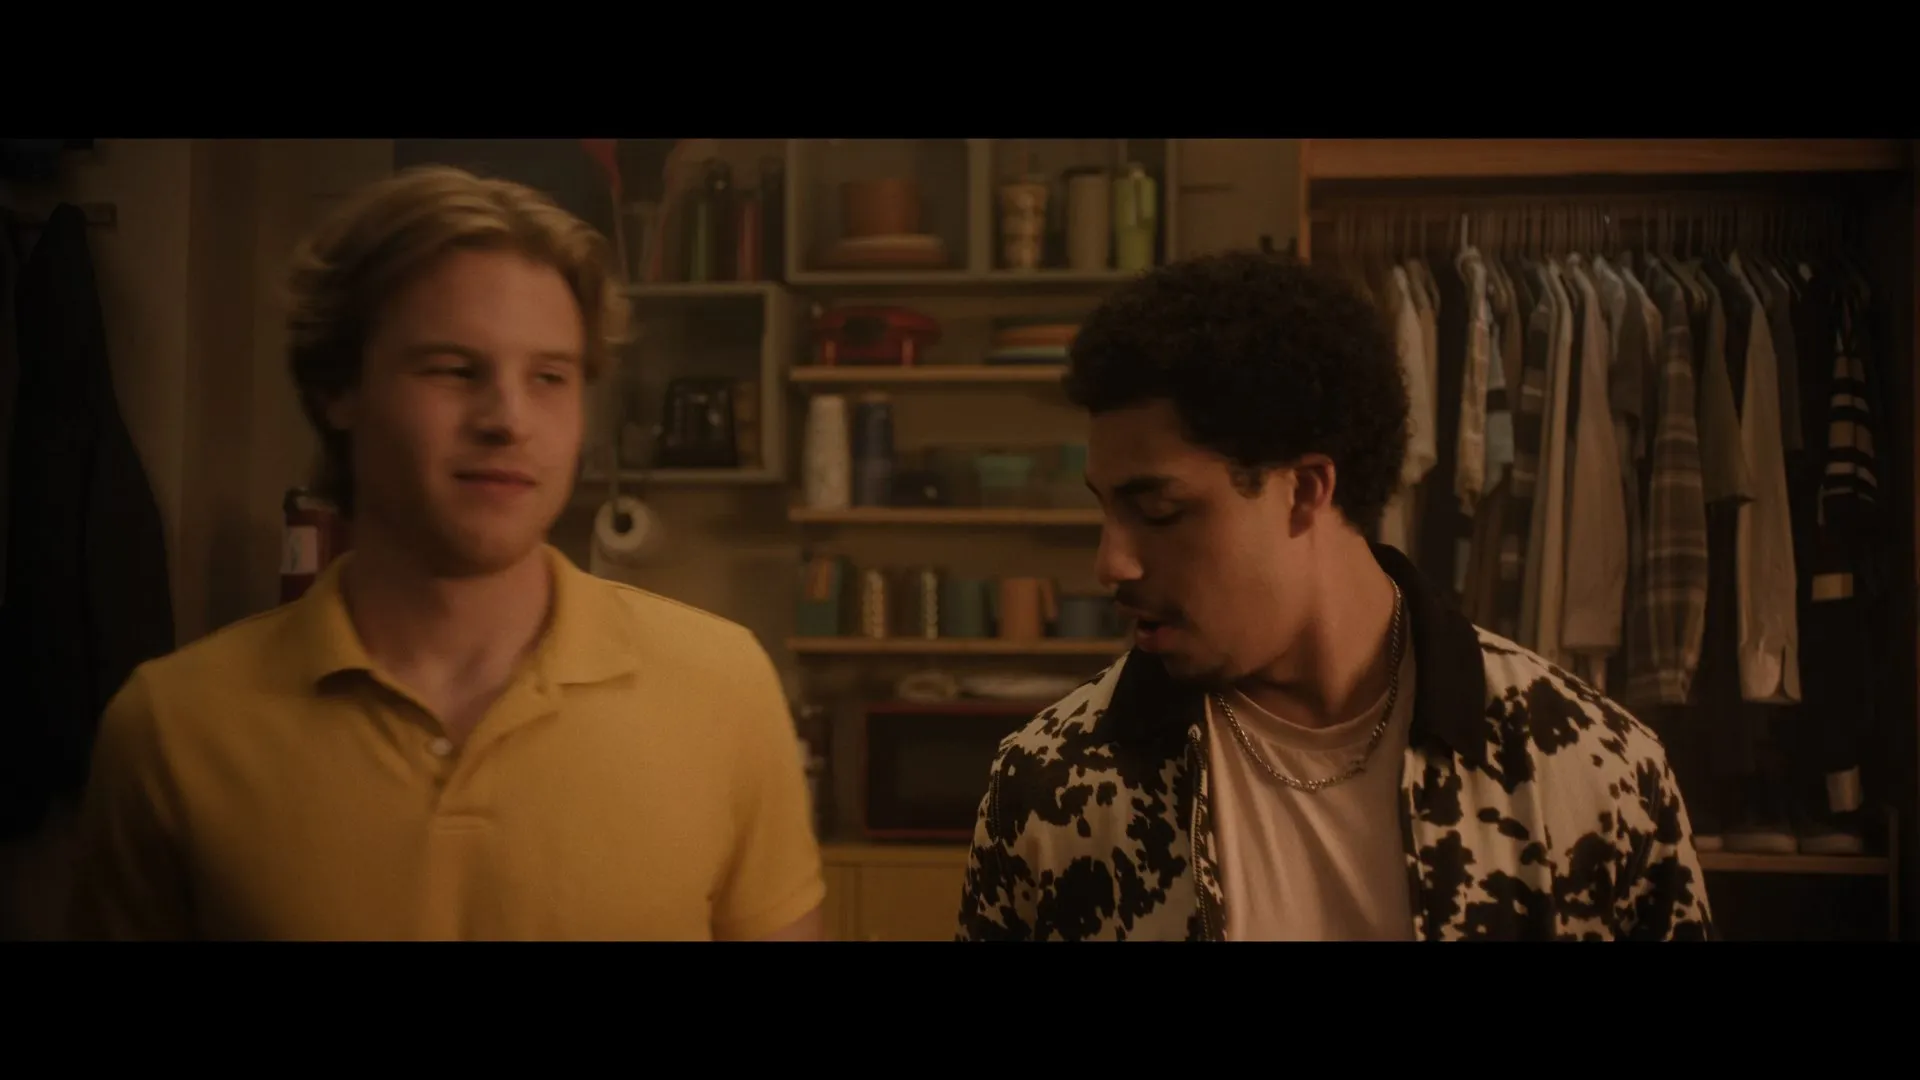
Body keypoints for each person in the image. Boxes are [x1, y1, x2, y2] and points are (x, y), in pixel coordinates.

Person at [66, 166, 825, 941]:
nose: (509, 419)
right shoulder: (172, 730)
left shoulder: (722, 689)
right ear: (340, 388)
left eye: (550, 377)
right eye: (455, 369)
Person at [955, 250, 1714, 941]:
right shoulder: (1052, 785)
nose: (1111, 563)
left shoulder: (1591, 771)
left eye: (1158, 511)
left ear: (1306, 490)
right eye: (1105, 509)